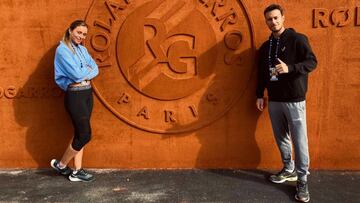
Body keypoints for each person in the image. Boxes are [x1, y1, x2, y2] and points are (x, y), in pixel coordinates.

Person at [256, 4, 317, 202]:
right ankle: (288, 168)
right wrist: (259, 94)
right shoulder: (265, 47)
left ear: (283, 17)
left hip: (294, 99)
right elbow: (262, 74)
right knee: (281, 136)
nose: (272, 22)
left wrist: (290, 68)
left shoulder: (298, 39)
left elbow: (311, 62)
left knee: (299, 140)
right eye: (269, 19)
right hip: (274, 99)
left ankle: (302, 179)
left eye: (275, 18)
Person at [50, 20, 99, 182]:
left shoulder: (83, 49)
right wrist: (86, 72)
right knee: (85, 135)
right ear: (70, 30)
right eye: (78, 32)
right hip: (75, 96)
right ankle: (62, 164)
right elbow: (77, 75)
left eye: (84, 34)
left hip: (87, 93)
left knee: (79, 134)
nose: (81, 37)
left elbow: (96, 68)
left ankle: (77, 171)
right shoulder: (62, 50)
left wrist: (85, 73)